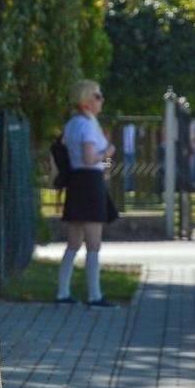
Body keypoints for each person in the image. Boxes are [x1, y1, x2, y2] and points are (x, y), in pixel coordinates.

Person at [56, 79, 117, 308]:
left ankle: (63, 293)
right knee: (93, 243)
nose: (102, 101)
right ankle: (95, 295)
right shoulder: (89, 126)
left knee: (73, 242)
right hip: (89, 183)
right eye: (98, 96)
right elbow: (91, 157)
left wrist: (107, 156)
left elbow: (102, 162)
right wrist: (109, 151)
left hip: (79, 181)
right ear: (87, 100)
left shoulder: (73, 124)